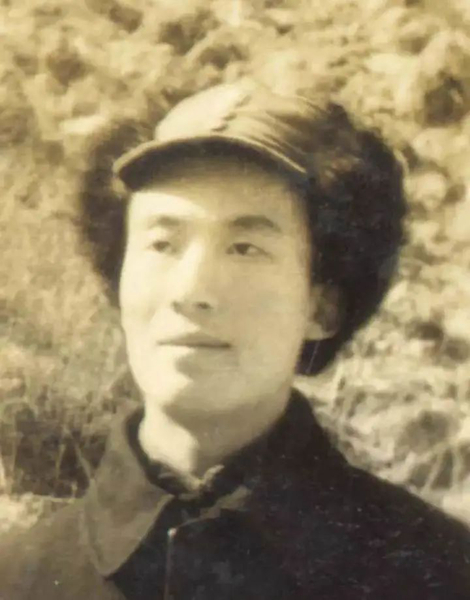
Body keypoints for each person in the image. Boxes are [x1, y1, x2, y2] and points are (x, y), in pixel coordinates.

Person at [1, 79, 469, 600]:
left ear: (323, 305)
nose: (191, 291)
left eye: (245, 248)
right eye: (162, 243)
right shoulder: (19, 578)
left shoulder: (439, 573)